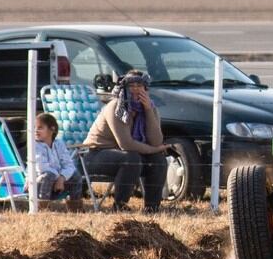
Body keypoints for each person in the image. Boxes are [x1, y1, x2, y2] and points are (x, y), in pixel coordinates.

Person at [80, 70, 169, 211]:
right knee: (132, 158)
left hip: (128, 154)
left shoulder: (151, 108)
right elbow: (126, 144)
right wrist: (155, 149)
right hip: (96, 154)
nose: (135, 89)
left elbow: (156, 141)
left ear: (146, 88)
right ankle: (120, 205)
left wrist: (147, 111)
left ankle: (152, 207)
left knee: (158, 159)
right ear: (124, 88)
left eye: (139, 85)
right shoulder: (116, 107)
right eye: (131, 85)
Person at [30, 112, 83, 209]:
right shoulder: (34, 145)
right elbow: (41, 168)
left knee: (76, 175)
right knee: (48, 175)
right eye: (34, 127)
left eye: (40, 128)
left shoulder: (59, 143)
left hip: (57, 184)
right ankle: (41, 208)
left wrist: (62, 178)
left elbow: (69, 165)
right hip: (37, 184)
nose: (36, 130)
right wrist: (59, 178)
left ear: (52, 129)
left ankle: (76, 209)